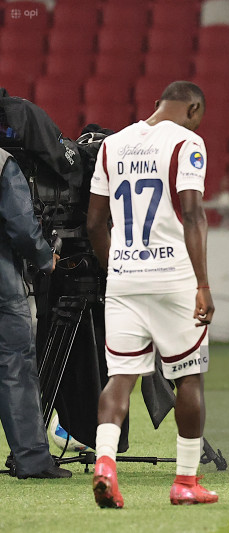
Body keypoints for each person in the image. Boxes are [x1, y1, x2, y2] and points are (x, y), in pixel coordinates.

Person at [86, 81, 217, 507]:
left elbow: (93, 223)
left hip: (124, 277)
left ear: (157, 104)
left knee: (119, 378)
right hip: (173, 279)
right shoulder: (187, 143)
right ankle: (185, 483)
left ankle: (105, 464)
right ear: (193, 109)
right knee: (188, 377)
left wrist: (117, 270)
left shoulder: (113, 145)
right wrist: (202, 283)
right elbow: (193, 214)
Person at [0, 147, 70, 479]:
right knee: (14, 365)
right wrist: (45, 256)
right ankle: (31, 459)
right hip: (2, 283)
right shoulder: (1, 162)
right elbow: (22, 227)